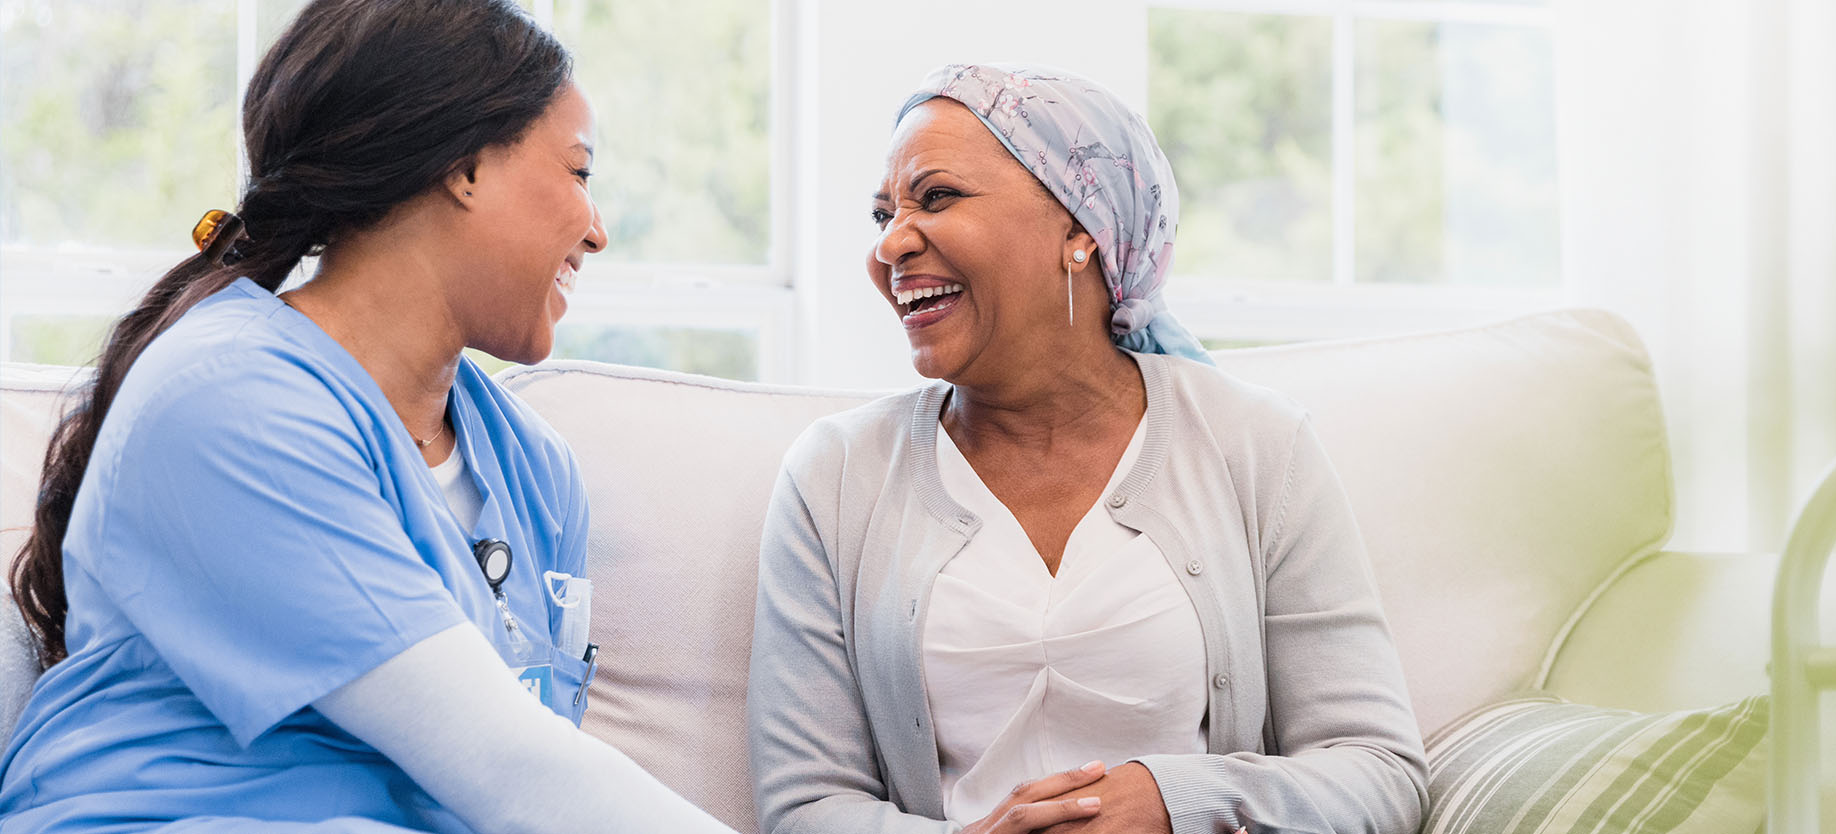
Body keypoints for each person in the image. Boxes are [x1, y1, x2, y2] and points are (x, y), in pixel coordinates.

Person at [0, 1, 734, 831]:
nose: (597, 232)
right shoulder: (228, 402)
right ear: (464, 166)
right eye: (579, 172)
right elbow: (507, 765)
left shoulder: (535, 469)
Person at [748, 63, 1429, 834]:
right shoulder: (835, 475)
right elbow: (805, 804)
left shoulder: (1259, 446)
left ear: (1080, 229)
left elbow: (1379, 773)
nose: (892, 245)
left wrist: (1175, 802)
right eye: (882, 216)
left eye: (936, 197)